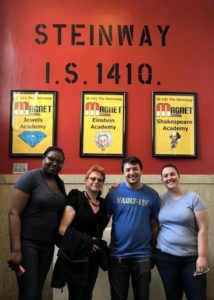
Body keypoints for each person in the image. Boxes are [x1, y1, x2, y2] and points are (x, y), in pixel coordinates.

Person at [8, 146, 67, 300]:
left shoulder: (59, 183)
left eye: (59, 161)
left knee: (37, 290)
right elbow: (14, 213)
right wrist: (16, 250)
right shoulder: (30, 178)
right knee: (29, 293)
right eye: (51, 159)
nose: (55, 163)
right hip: (27, 243)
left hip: (47, 245)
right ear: (43, 158)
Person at [105, 156, 160, 300]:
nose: (132, 173)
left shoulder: (153, 195)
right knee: (118, 297)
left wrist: (153, 251)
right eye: (127, 169)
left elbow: (155, 226)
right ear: (123, 172)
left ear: (141, 170)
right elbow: (102, 221)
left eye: (135, 169)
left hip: (142, 256)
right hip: (118, 256)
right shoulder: (113, 194)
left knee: (142, 297)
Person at [156, 164, 209, 300]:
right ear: (162, 180)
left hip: (191, 259)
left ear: (179, 176)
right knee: (172, 296)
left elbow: (203, 229)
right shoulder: (160, 200)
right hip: (165, 258)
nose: (169, 178)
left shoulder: (193, 198)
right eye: (165, 176)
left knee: (197, 297)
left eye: (172, 174)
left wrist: (202, 257)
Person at [57, 165, 109, 300]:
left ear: (103, 183)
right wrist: (87, 242)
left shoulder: (103, 204)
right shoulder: (76, 197)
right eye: (92, 178)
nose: (96, 181)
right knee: (76, 295)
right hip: (77, 255)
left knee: (88, 294)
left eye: (100, 180)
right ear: (86, 181)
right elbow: (63, 229)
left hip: (94, 256)